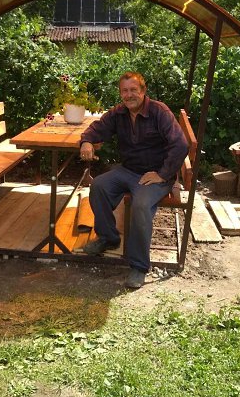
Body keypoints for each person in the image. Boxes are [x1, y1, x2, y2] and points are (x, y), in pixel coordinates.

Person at [79, 72, 189, 289]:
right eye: (125, 91)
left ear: (143, 91)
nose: (129, 95)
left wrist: (162, 174)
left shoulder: (159, 111)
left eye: (133, 90)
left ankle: (139, 266)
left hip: (155, 176)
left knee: (140, 205)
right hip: (128, 170)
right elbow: (97, 128)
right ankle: (109, 238)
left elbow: (180, 145)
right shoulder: (118, 113)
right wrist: (86, 142)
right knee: (99, 186)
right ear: (121, 93)